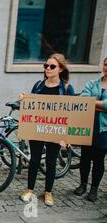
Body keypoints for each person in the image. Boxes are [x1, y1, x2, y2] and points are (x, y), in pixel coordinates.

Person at [19, 53, 75, 206]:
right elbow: (31, 107)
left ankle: (48, 192)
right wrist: (25, 100)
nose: (48, 69)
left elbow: (72, 114)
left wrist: (68, 137)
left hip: (56, 131)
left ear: (61, 69)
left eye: (52, 66)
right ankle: (29, 189)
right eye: (46, 66)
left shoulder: (67, 88)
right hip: (38, 129)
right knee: (35, 160)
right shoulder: (38, 85)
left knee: (51, 161)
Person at [74, 57, 107, 201]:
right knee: (85, 158)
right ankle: (83, 184)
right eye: (106, 64)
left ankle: (94, 189)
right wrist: (102, 105)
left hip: (104, 129)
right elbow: (84, 100)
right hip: (88, 125)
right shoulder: (92, 83)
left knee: (99, 160)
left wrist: (93, 103)